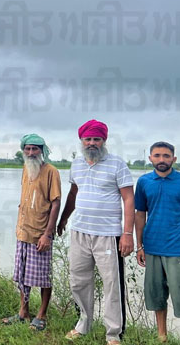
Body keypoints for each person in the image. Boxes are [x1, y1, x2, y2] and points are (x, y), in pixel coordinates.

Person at [57, 120, 134, 345]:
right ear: (81, 141)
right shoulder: (76, 164)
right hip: (80, 231)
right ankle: (83, 324)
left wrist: (127, 234)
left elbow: (129, 199)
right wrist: (64, 218)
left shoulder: (117, 164)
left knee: (112, 284)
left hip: (108, 234)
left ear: (104, 140)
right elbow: (74, 193)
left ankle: (113, 333)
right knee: (78, 280)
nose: (92, 143)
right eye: (88, 139)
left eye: (96, 139)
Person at [135, 142, 180, 345]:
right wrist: (139, 246)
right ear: (150, 158)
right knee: (156, 297)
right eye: (157, 155)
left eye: (166, 155)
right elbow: (140, 214)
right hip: (152, 248)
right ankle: (161, 338)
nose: (161, 159)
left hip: (178, 249)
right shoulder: (144, 182)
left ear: (174, 158)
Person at [1, 134, 61, 331]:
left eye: (35, 149)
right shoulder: (26, 169)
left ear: (42, 151)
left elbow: (56, 203)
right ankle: (23, 312)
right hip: (23, 230)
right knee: (22, 275)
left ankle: (41, 315)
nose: (31, 152)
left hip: (40, 233)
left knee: (43, 276)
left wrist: (48, 234)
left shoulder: (51, 171)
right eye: (27, 149)